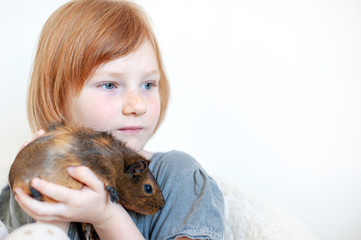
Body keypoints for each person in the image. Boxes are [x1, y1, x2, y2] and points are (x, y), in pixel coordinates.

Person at [0, 0, 224, 239]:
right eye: (110, 85)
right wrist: (51, 218)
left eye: (148, 84)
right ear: (58, 102)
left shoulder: (179, 177)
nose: (137, 105)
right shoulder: (27, 184)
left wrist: (107, 215)